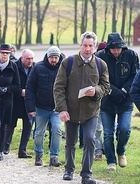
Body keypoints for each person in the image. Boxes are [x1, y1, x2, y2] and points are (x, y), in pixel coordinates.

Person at [53, 32, 110, 184]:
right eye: (85, 45)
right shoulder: (68, 62)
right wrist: (62, 109)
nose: (87, 49)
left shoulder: (100, 65)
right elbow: (58, 87)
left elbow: (106, 87)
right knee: (71, 141)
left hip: (91, 111)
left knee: (90, 139)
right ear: (80, 45)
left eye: (91, 46)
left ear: (95, 47)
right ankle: (69, 170)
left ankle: (86, 175)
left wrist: (96, 91)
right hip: (70, 109)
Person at [96, 32, 139, 171]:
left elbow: (135, 75)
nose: (116, 51)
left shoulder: (131, 56)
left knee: (125, 129)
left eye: (118, 48)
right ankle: (111, 161)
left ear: (122, 47)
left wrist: (125, 90)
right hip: (107, 100)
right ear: (108, 48)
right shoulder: (100, 57)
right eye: (113, 48)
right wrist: (113, 90)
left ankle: (121, 151)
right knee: (108, 133)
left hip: (126, 100)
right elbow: (99, 78)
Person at [25, 46, 64, 166]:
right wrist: (30, 107)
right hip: (41, 106)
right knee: (39, 132)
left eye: (56, 57)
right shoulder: (38, 68)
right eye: (52, 57)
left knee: (57, 130)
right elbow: (30, 88)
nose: (54, 60)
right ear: (48, 57)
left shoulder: (64, 68)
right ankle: (39, 154)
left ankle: (54, 157)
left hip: (57, 107)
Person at [4, 49, 35, 159]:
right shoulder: (14, 66)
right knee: (10, 124)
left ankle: (22, 150)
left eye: (32, 58)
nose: (30, 61)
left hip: (28, 102)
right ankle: (5, 146)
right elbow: (9, 83)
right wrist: (19, 91)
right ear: (22, 58)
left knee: (28, 126)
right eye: (28, 59)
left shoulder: (35, 68)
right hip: (15, 100)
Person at [94, 41, 107, 161]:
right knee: (97, 127)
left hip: (108, 100)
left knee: (108, 128)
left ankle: (106, 148)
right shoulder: (94, 63)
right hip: (96, 99)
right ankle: (98, 150)